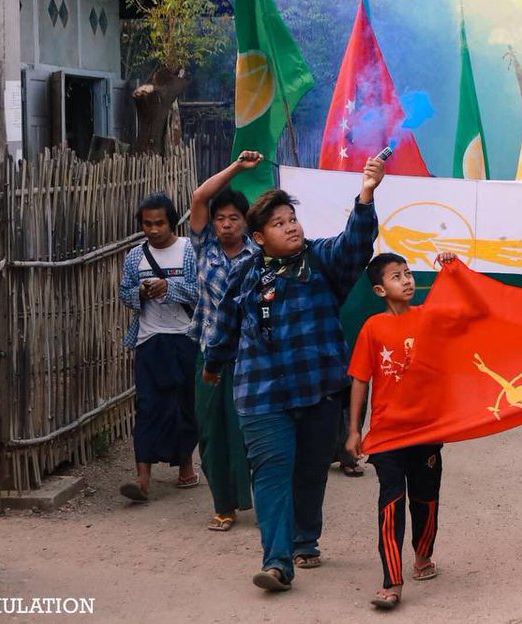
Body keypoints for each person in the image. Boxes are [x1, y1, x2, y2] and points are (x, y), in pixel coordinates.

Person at [204, 157, 385, 593]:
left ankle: (306, 540)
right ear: (259, 237)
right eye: (278, 223)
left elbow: (355, 246)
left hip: (318, 389)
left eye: (292, 219)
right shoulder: (246, 273)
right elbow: (226, 323)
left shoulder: (321, 261)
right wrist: (213, 364)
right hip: (262, 395)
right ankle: (277, 562)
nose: (290, 227)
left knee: (309, 471)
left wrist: (366, 193)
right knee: (271, 471)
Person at [345, 251, 459, 611]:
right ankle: (391, 581)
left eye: (408, 273)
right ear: (380, 289)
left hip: (426, 430)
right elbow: (360, 380)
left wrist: (453, 270)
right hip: (388, 433)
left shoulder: (429, 318)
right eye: (397, 276)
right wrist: (353, 430)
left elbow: (464, 308)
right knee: (391, 503)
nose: (407, 280)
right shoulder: (372, 328)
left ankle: (422, 556)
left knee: (425, 499)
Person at [188, 151, 261, 531]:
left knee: (248, 430)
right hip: (209, 357)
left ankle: (256, 498)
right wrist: (234, 168)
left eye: (235, 218)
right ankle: (223, 505)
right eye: (221, 219)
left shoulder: (259, 256)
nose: (227, 224)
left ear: (247, 223)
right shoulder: (203, 249)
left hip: (250, 359)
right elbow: (199, 197)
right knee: (211, 430)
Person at [119, 193, 200, 502]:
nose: (153, 230)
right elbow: (124, 295)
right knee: (148, 407)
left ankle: (185, 467)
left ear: (172, 222)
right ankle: (142, 479)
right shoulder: (134, 257)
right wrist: (139, 292)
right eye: (147, 224)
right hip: (149, 341)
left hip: (186, 338)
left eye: (159, 223)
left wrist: (170, 287)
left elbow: (199, 292)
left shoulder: (189, 251)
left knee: (185, 406)